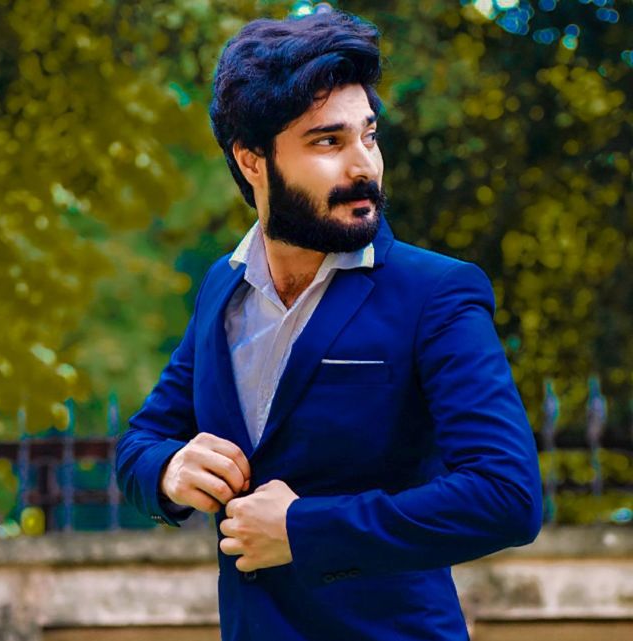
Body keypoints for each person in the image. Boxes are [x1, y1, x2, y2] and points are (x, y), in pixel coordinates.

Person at [116, 9, 542, 641]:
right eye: (327, 142)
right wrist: (169, 470)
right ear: (252, 160)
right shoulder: (222, 291)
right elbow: (140, 442)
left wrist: (303, 530)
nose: (363, 165)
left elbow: (506, 496)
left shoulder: (436, 293)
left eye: (368, 135)